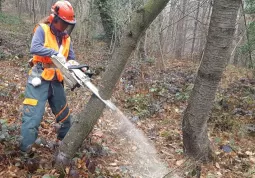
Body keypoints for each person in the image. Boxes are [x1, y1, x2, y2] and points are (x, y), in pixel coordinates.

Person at [20, 0, 78, 152]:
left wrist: (74, 66)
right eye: (63, 23)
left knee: (65, 117)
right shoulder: (43, 29)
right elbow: (35, 47)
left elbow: (70, 57)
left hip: (56, 79)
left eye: (68, 24)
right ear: (55, 19)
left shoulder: (66, 38)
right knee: (33, 117)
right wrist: (54, 53)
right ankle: (26, 152)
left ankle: (64, 147)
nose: (65, 27)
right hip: (39, 75)